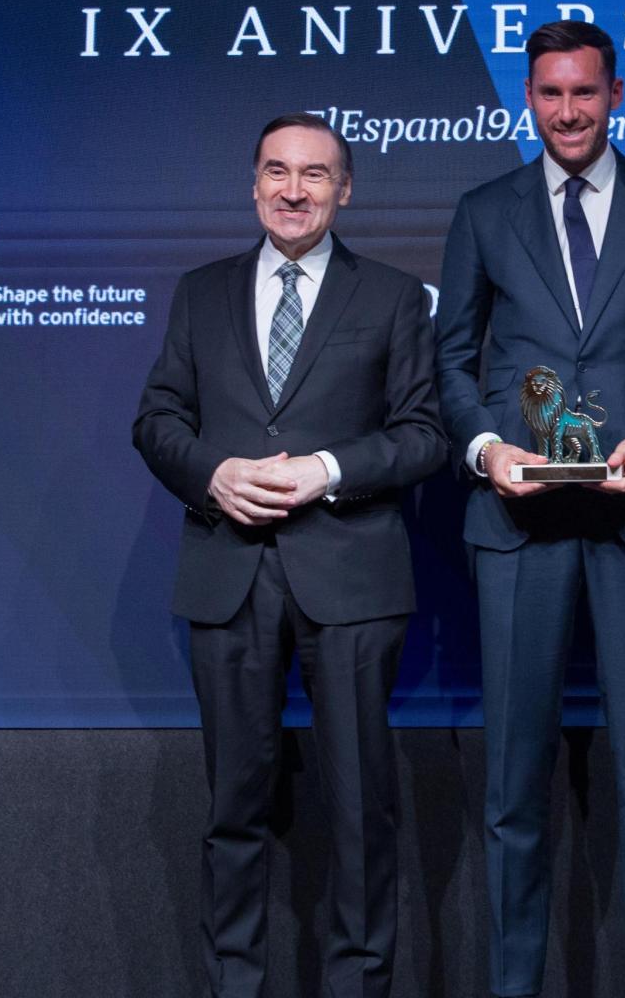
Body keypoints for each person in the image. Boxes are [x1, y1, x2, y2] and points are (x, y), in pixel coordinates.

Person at [435, 20, 625, 998]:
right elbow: (451, 362)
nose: (566, 111)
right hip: (515, 523)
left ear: (615, 93)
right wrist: (488, 450)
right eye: (549, 93)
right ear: (529, 98)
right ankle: (513, 984)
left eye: (583, 91)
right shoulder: (483, 211)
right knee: (511, 781)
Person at [133, 113, 447, 998]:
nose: (294, 190)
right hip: (228, 573)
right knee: (234, 809)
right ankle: (235, 985)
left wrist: (327, 469)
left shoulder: (393, 296)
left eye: (314, 174)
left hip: (350, 576)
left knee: (359, 809)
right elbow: (157, 419)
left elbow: (424, 434)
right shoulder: (200, 292)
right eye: (277, 171)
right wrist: (214, 473)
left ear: (344, 190)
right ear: (254, 184)